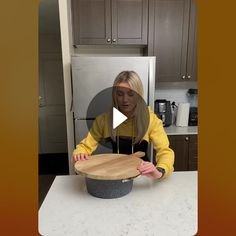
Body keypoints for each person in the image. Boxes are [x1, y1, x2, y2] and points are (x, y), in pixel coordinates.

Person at [72, 71, 174, 179]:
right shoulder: (104, 120)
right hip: (115, 174)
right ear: (115, 95)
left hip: (142, 176)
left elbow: (165, 151)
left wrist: (159, 171)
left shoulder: (151, 120)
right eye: (120, 94)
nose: (125, 100)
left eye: (131, 94)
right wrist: (80, 152)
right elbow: (85, 146)